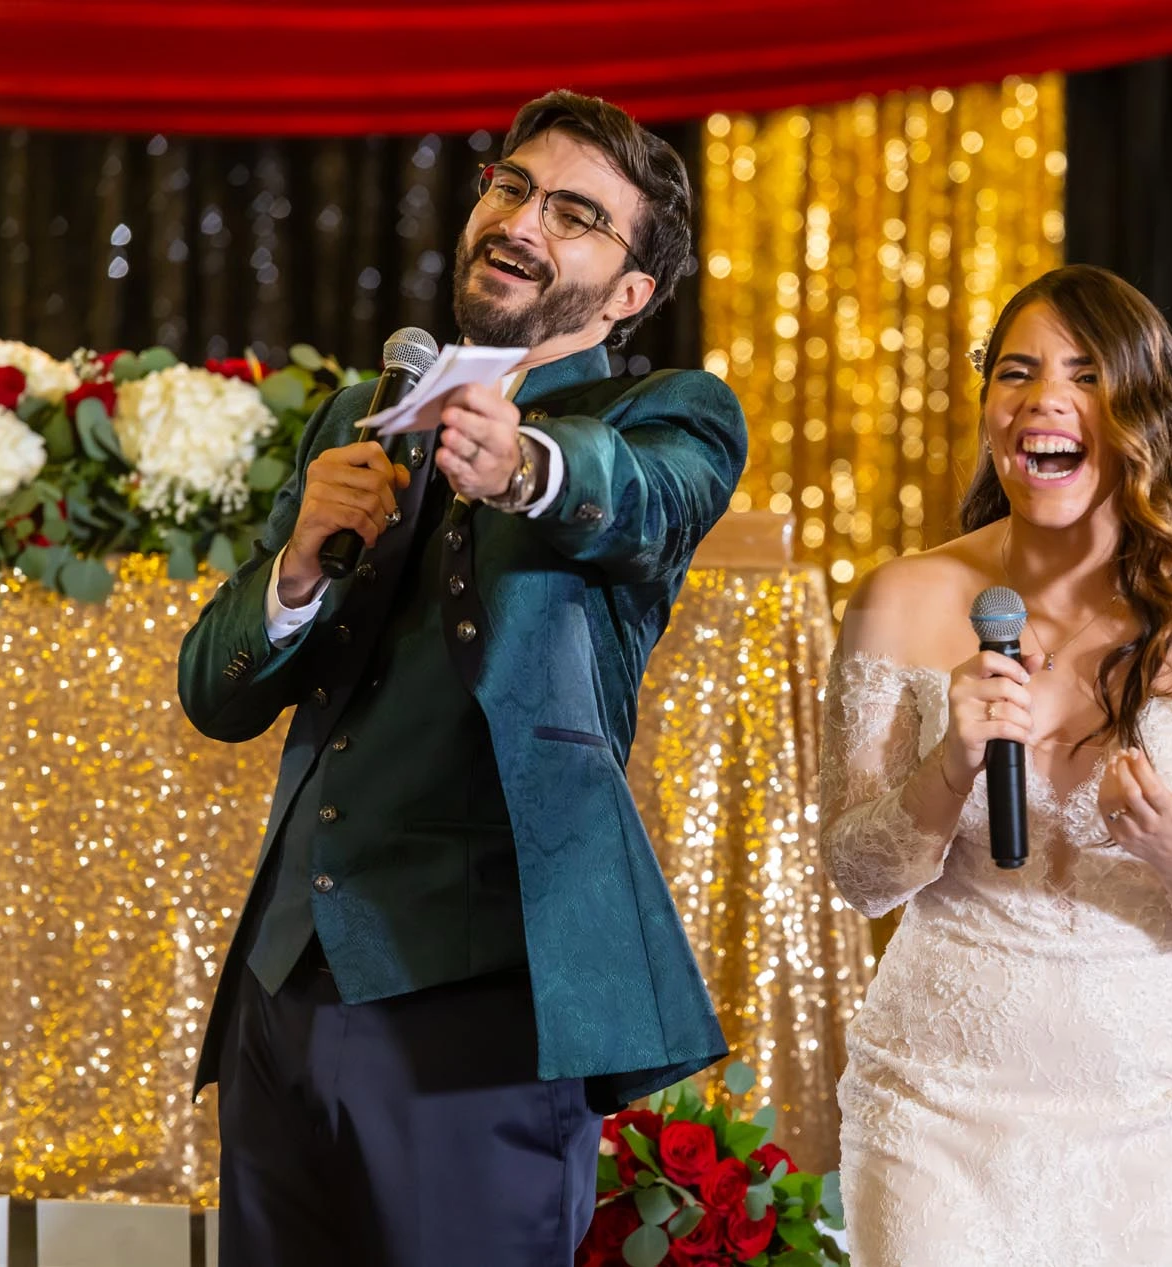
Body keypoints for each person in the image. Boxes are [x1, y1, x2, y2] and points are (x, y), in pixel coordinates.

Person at [177, 90, 746, 1266]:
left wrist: (528, 463)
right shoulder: (357, 414)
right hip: (285, 990)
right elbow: (215, 692)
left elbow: (640, 502)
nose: (524, 220)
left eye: (577, 213)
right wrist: (295, 565)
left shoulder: (659, 418)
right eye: (512, 185)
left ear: (630, 291)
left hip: (479, 1008)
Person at [822, 264, 1172, 1266]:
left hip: (1158, 1116)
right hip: (932, 1101)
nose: (1043, 397)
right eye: (1016, 372)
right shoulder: (903, 599)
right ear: (989, 409)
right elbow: (858, 875)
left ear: (1144, 411)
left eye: (1083, 375)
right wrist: (950, 762)